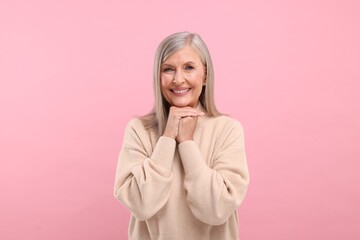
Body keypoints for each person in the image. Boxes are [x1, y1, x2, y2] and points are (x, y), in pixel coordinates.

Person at [114, 31, 249, 240]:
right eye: (168, 69)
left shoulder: (227, 130)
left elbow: (217, 209)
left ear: (205, 75)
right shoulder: (139, 130)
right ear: (158, 77)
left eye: (189, 67)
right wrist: (168, 137)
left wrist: (186, 142)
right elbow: (141, 205)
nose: (178, 79)